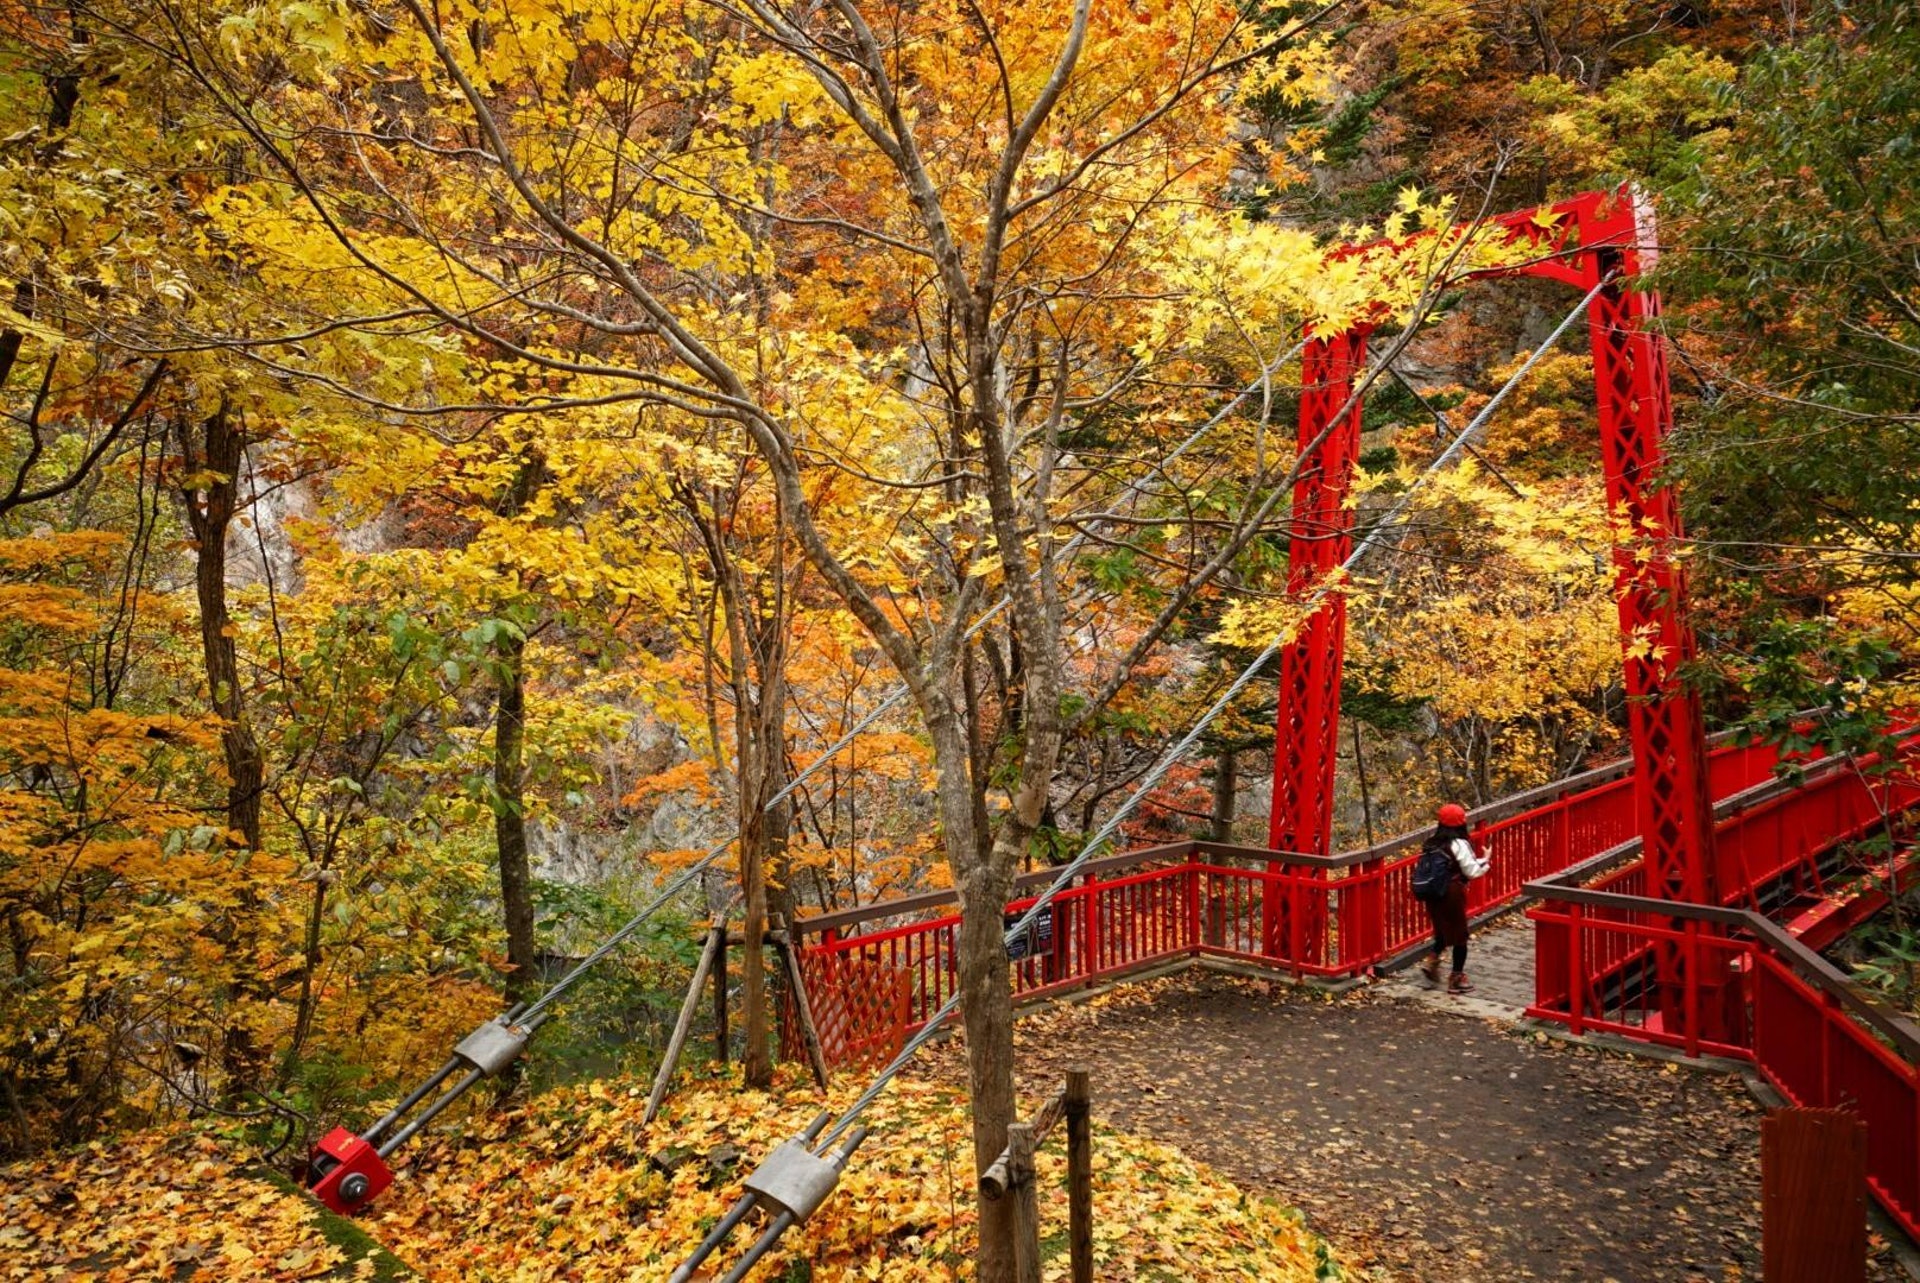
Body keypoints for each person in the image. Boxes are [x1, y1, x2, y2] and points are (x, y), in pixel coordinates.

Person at [1419, 803, 1489, 993]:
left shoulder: (1432, 843)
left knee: (1442, 930)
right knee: (1460, 935)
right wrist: (1486, 861)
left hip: (1433, 893)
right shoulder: (1459, 843)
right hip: (1452, 892)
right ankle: (1456, 978)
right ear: (1461, 823)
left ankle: (1432, 960)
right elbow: (1472, 871)